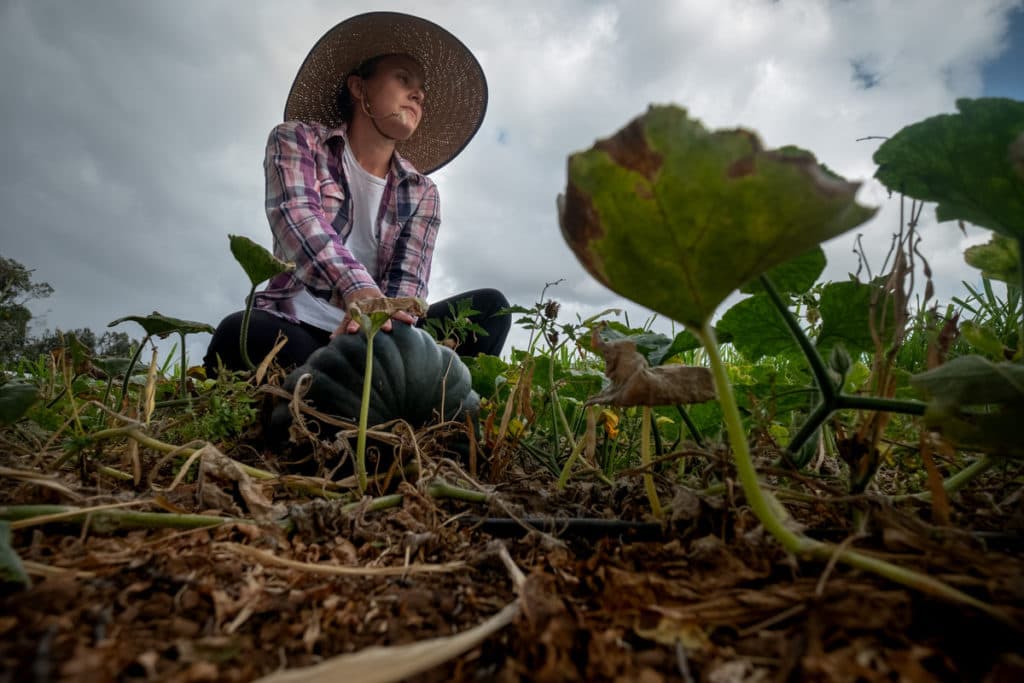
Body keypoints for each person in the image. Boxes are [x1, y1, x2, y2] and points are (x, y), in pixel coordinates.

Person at [204, 12, 509, 376]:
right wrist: (358, 289)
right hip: (303, 330)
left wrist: (384, 323)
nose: (418, 94)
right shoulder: (297, 140)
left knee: (492, 307)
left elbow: (408, 285)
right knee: (239, 333)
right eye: (402, 79)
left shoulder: (422, 191)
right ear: (359, 87)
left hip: (380, 342)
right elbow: (297, 217)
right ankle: (360, 391)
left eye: (421, 90)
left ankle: (378, 387)